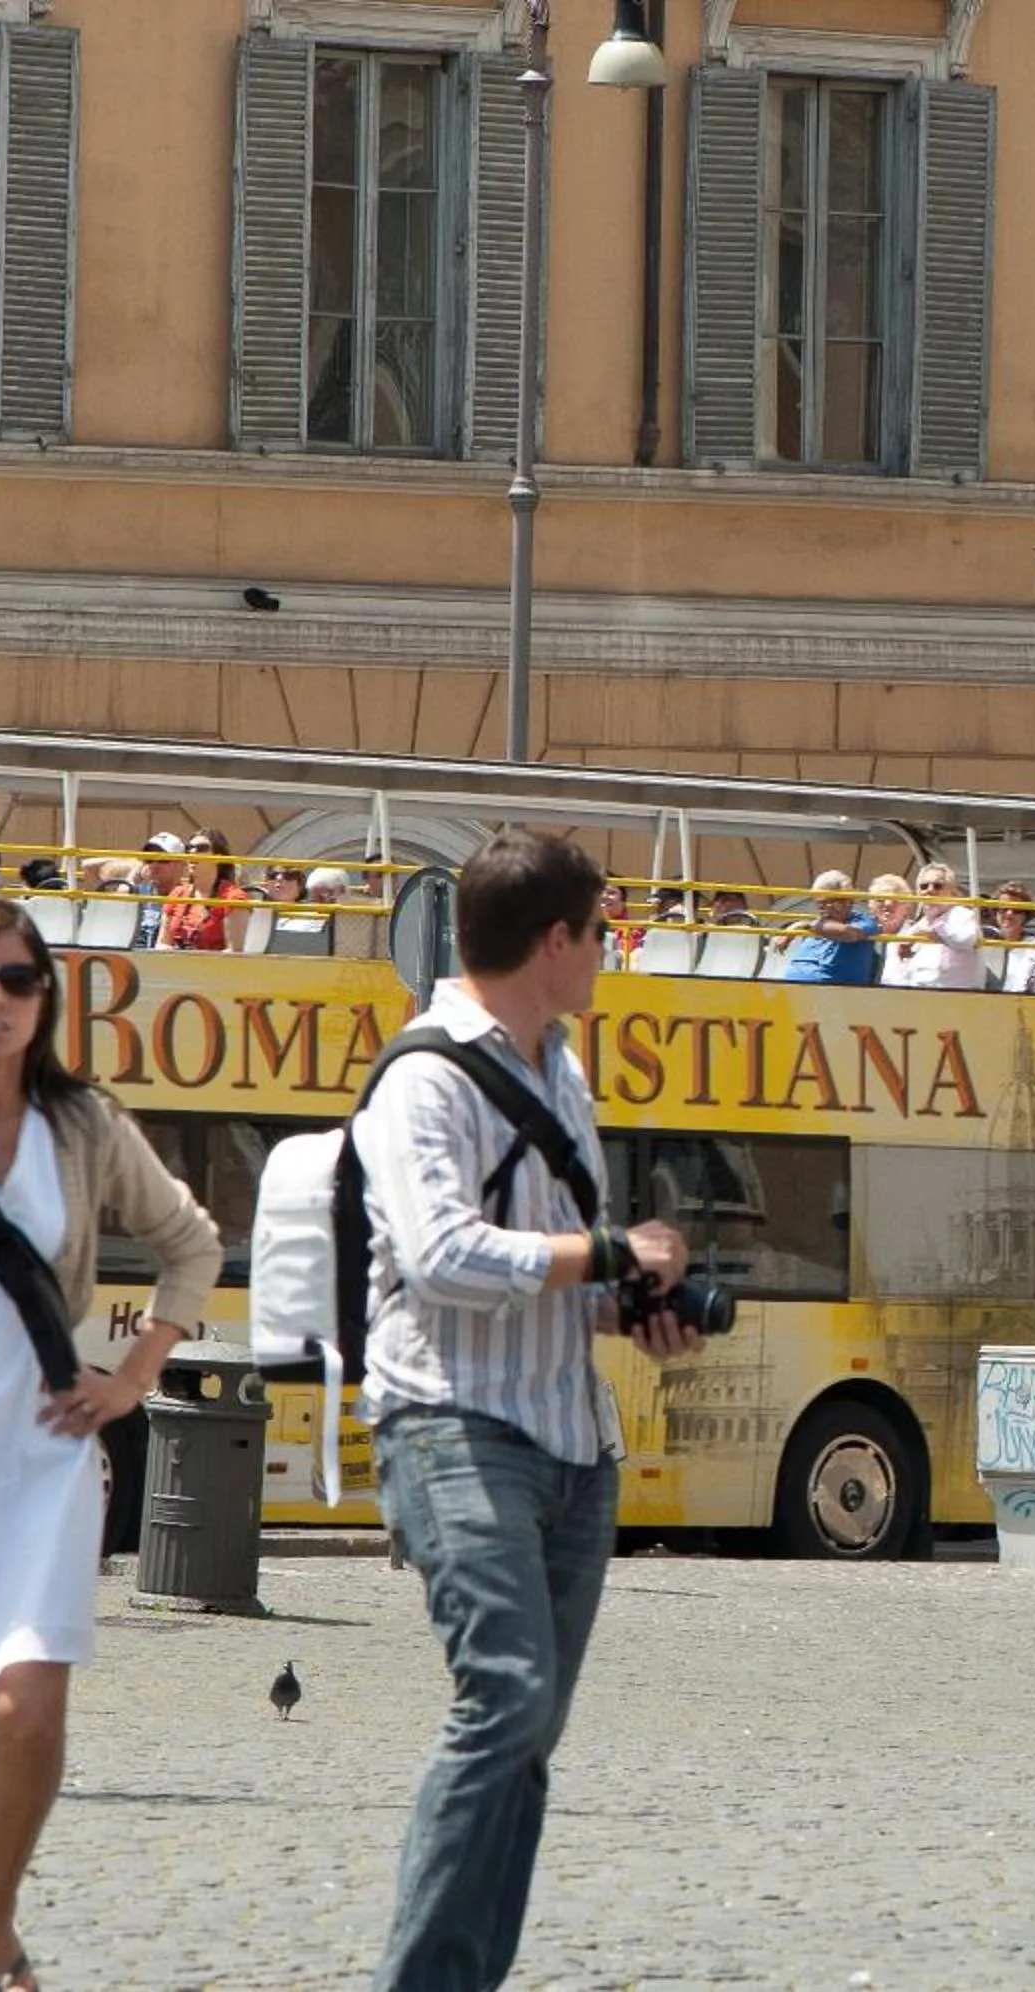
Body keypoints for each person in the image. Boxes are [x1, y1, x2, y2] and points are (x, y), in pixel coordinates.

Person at [356, 828, 702, 1991]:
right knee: (505, 1697)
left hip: (572, 1440)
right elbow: (443, 1256)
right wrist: (608, 1250)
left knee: (529, 1733)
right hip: (453, 1423)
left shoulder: (565, 1073)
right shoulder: (423, 1079)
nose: (609, 952)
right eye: (601, 932)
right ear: (555, 941)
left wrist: (629, 1307)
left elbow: (552, 1269)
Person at [0, 900, 224, 1992]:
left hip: (40, 1443)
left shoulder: (84, 1125)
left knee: (30, 1712)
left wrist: (134, 1377)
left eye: (18, 979)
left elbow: (191, 1243)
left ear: (45, 999)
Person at [887, 864, 986, 991]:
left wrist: (934, 929)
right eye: (924, 886)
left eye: (937, 886)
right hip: (920, 992)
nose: (930, 890)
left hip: (957, 992)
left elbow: (965, 941)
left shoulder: (962, 915)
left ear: (952, 892)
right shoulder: (920, 924)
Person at [780, 870, 881, 986]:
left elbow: (849, 934)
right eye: (819, 904)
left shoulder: (864, 922)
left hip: (832, 990)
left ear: (847, 901)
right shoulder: (817, 924)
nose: (822, 909)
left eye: (826, 903)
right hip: (791, 987)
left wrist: (803, 925)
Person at [157, 832, 251, 953]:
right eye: (189, 848)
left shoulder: (234, 898)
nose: (193, 852)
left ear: (218, 858)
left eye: (201, 848)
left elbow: (233, 952)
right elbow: (162, 943)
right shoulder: (178, 893)